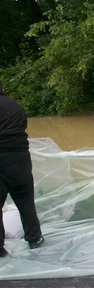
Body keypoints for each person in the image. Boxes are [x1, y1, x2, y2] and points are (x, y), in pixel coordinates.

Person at [0, 82, 45, 257]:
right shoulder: (16, 107)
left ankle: (0, 249)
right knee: (26, 202)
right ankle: (34, 238)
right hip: (20, 159)